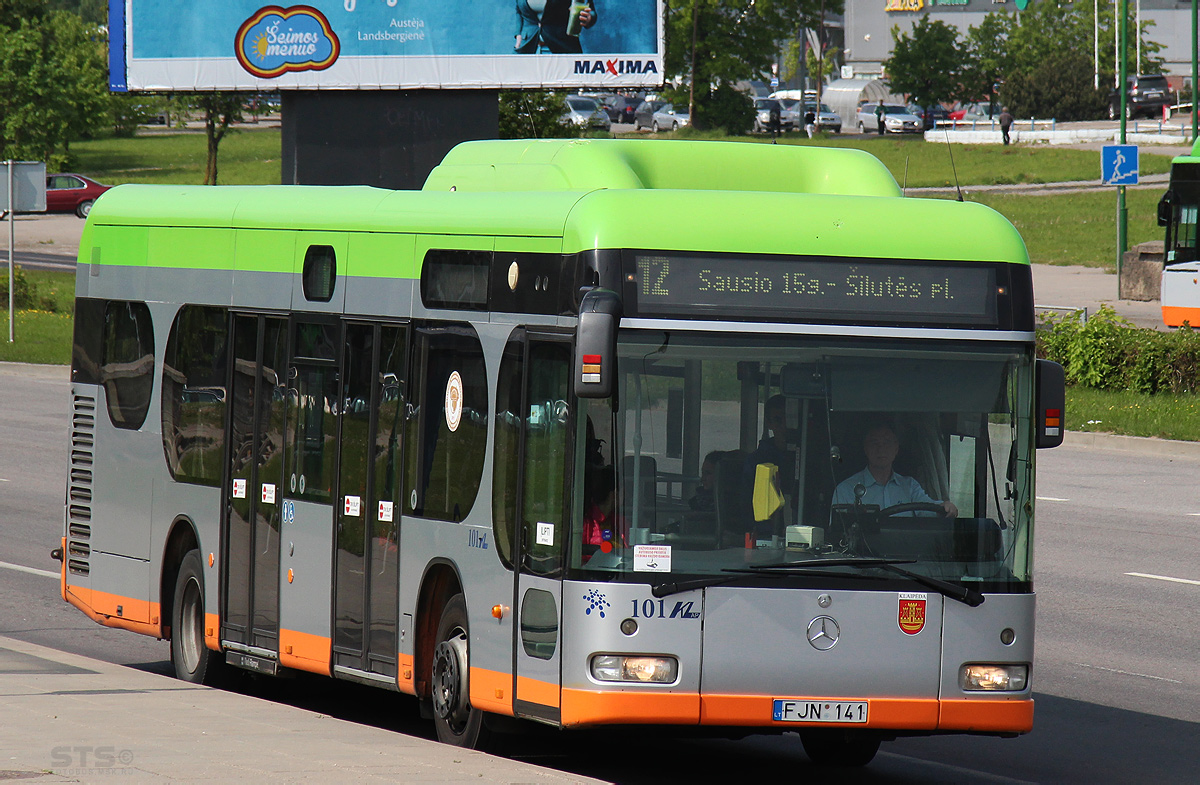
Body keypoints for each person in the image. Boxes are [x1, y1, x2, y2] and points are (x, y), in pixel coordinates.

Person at [832, 423, 958, 517]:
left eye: (887, 442)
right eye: (874, 442)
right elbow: (838, 536)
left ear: (896, 448)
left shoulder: (910, 487)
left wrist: (945, 506)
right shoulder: (845, 490)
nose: (881, 449)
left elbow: (930, 509)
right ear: (865, 448)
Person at [514, 0, 596, 55]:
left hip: (562, 49)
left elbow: (588, 9)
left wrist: (588, 18)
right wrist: (518, 35)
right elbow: (519, 9)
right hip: (527, 49)